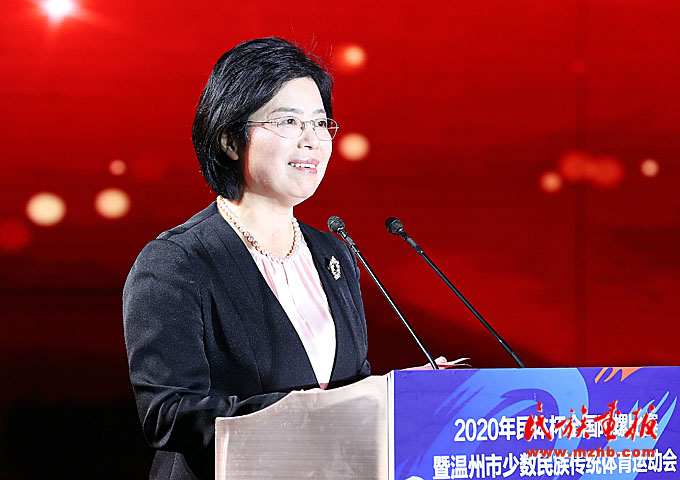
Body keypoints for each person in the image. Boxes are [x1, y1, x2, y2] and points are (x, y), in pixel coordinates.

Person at [122, 37, 370, 480]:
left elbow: (352, 383)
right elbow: (169, 414)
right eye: (289, 121)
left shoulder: (333, 253)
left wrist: (401, 392)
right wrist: (312, 413)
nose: (312, 140)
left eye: (320, 123)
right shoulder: (177, 263)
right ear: (230, 140)